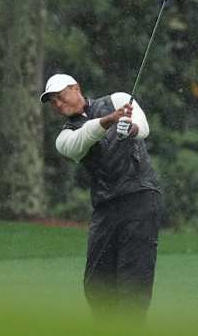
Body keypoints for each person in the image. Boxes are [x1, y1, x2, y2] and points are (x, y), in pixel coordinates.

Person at [40, 73, 163, 320]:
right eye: (53, 102)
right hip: (106, 206)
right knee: (97, 284)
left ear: (76, 88)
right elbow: (85, 137)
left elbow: (143, 127)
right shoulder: (64, 138)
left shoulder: (118, 99)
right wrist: (109, 121)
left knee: (134, 281)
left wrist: (131, 128)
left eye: (60, 97)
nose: (58, 105)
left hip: (140, 196)